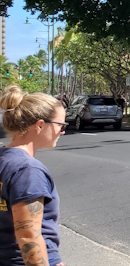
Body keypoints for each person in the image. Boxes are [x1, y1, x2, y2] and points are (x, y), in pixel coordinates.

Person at [0, 85, 67, 266]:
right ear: (40, 125)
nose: (62, 132)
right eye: (60, 126)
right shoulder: (27, 170)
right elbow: (28, 236)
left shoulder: (4, 159)